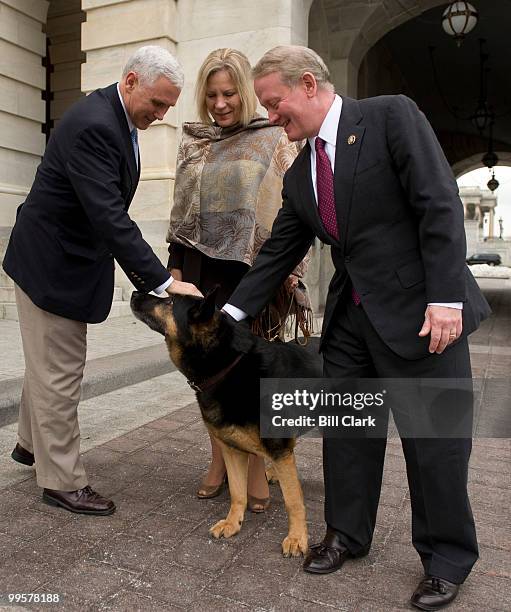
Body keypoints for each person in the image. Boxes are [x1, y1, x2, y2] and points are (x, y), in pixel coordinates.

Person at [223, 45, 491, 610]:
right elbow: (277, 254)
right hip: (351, 320)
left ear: (307, 85)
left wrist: (446, 297)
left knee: (435, 442)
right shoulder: (302, 175)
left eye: (275, 104)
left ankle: (446, 559)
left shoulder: (391, 116)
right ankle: (347, 533)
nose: (273, 117)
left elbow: (438, 202)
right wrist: (227, 317)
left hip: (424, 315)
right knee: (348, 435)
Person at [3, 46, 201, 516]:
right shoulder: (95, 124)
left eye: (169, 107)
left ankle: (30, 446)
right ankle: (62, 481)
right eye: (156, 103)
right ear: (130, 81)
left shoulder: (116, 118)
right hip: (51, 267)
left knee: (48, 366)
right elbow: (110, 216)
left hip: (59, 259)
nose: (161, 114)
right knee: (61, 375)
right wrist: (161, 281)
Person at [167, 48, 310, 511]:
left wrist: (287, 274)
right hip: (199, 274)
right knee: (207, 374)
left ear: (246, 92)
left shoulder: (274, 138)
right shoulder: (194, 141)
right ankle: (218, 462)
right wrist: (173, 271)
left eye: (229, 93)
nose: (220, 103)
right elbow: (182, 213)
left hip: (252, 275)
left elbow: (292, 212)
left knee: (251, 378)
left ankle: (257, 466)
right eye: (211, 94)